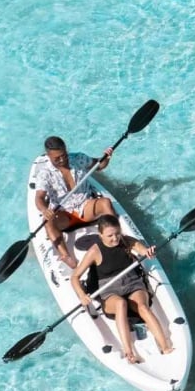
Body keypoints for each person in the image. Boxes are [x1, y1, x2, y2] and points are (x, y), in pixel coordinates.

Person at [70, 214, 174, 363]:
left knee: (143, 307)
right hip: (108, 289)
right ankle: (129, 351)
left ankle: (165, 347)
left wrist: (148, 252)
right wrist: (82, 295)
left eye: (117, 233)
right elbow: (74, 277)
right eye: (110, 235)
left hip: (132, 282)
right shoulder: (94, 251)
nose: (115, 238)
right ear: (100, 235)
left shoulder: (126, 241)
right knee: (121, 304)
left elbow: (142, 249)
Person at [33, 135, 116, 268]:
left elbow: (99, 165)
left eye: (64, 155)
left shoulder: (78, 158)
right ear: (48, 156)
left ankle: (117, 237)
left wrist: (106, 157)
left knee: (105, 202)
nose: (62, 160)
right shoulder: (45, 173)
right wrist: (44, 210)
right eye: (57, 158)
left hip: (85, 208)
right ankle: (66, 256)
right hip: (64, 215)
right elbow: (39, 198)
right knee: (47, 221)